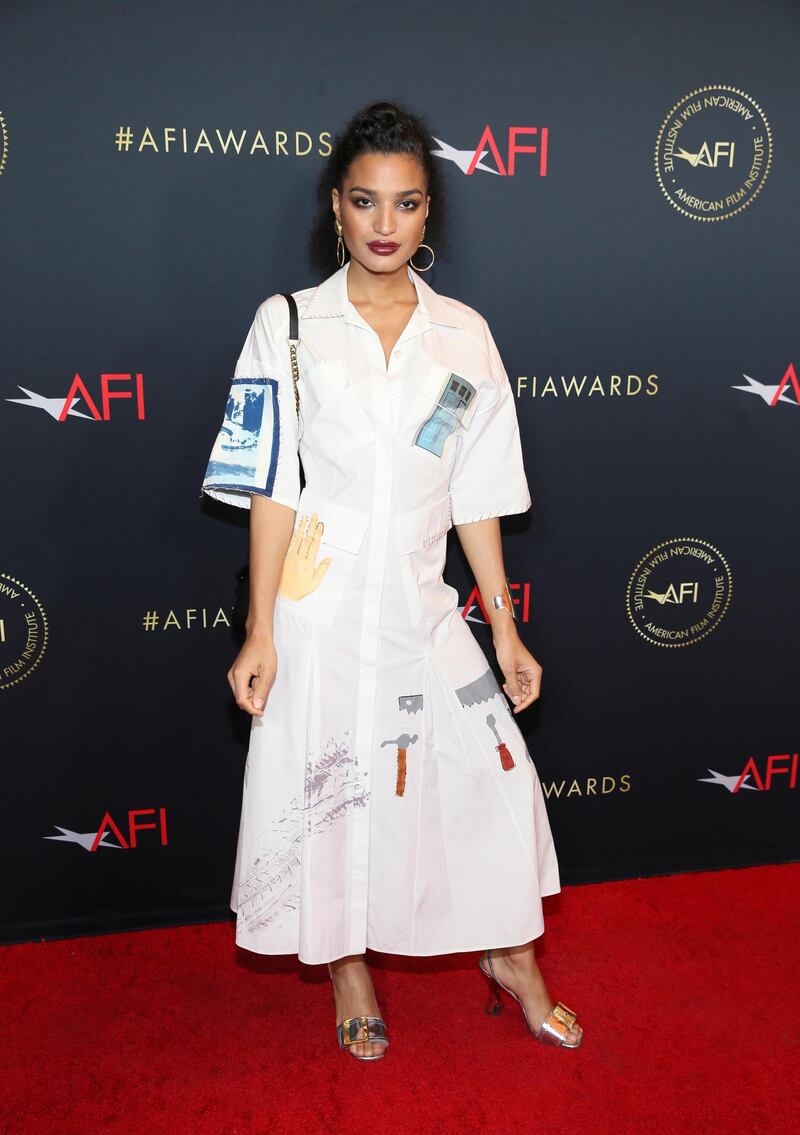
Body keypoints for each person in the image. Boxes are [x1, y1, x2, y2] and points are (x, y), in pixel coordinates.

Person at [200, 100, 583, 1059]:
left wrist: (503, 626)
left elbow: (478, 497)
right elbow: (270, 490)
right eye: (365, 201)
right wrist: (261, 629)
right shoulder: (286, 326)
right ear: (337, 205)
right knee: (328, 798)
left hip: (421, 609)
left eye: (406, 204)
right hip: (317, 614)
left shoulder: (464, 338)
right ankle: (348, 968)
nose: (384, 224)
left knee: (493, 787)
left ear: (428, 215)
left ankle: (513, 957)